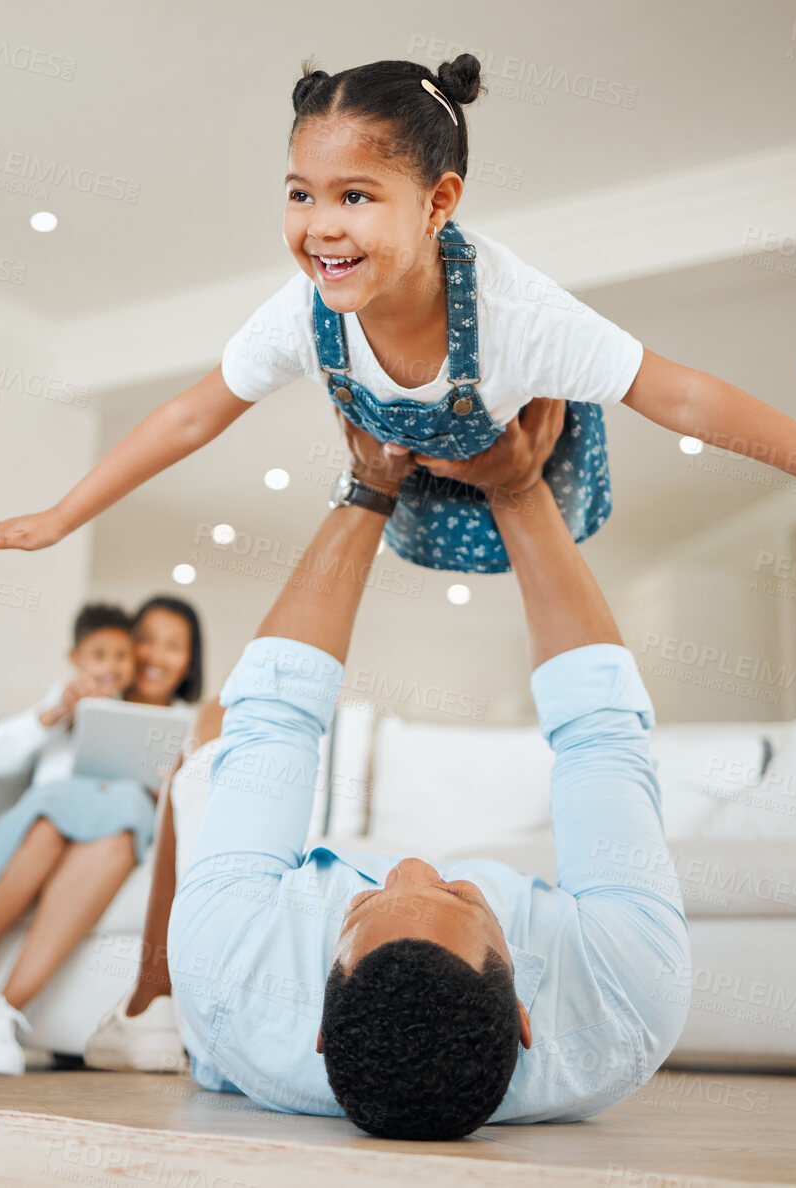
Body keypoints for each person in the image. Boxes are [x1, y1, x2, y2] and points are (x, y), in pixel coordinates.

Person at [0, 53, 796, 572]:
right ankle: (403, 459)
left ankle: (508, 471)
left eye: (354, 196)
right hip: (412, 470)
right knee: (370, 453)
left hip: (519, 440)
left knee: (523, 476)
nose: (318, 225)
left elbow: (680, 394)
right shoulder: (298, 313)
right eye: (301, 192)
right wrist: (62, 516)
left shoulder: (519, 311)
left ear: (438, 203)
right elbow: (191, 414)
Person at [100, 401, 694, 1140]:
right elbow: (601, 736)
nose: (413, 864)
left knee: (216, 727)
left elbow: (275, 713)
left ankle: (147, 1002)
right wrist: (519, 488)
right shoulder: (629, 1003)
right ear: (522, 1017)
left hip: (227, 982)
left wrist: (369, 484)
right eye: (457, 894)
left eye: (365, 902)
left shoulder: (232, 977)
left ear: (318, 1022)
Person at [0, 596, 203, 1075]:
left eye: (172, 646)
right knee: (49, 825)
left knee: (121, 816)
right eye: (142, 642)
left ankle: (0, 1013)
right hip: (44, 834)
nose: (150, 656)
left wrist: (168, 783)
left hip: (112, 844)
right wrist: (58, 711)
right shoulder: (75, 695)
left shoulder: (189, 727)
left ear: (189, 660)